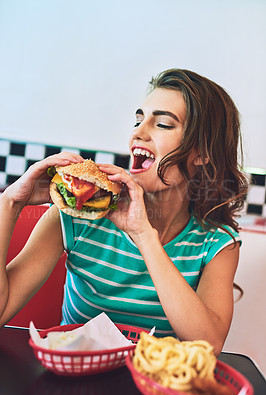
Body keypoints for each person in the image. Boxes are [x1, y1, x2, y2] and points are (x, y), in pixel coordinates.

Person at [0, 68, 248, 355]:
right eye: (138, 120)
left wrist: (143, 235)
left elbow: (207, 345)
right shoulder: (75, 214)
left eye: (163, 124)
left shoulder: (216, 244)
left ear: (203, 152)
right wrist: (10, 204)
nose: (137, 133)